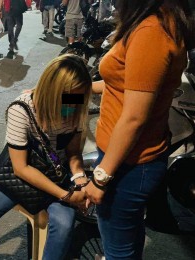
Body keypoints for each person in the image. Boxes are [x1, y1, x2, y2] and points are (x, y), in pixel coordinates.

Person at [84, 0, 194, 259]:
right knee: (127, 235)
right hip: (126, 158)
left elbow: (135, 116)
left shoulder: (151, 31)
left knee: (117, 246)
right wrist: (70, 89)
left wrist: (101, 177)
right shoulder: (154, 21)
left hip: (129, 163)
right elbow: (122, 85)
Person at [0, 54, 92, 260]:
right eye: (67, 99)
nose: (72, 107)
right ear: (50, 92)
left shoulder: (75, 105)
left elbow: (73, 152)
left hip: (56, 174)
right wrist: (66, 196)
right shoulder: (21, 110)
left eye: (77, 99)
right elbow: (21, 168)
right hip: (21, 176)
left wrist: (79, 177)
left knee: (63, 225)